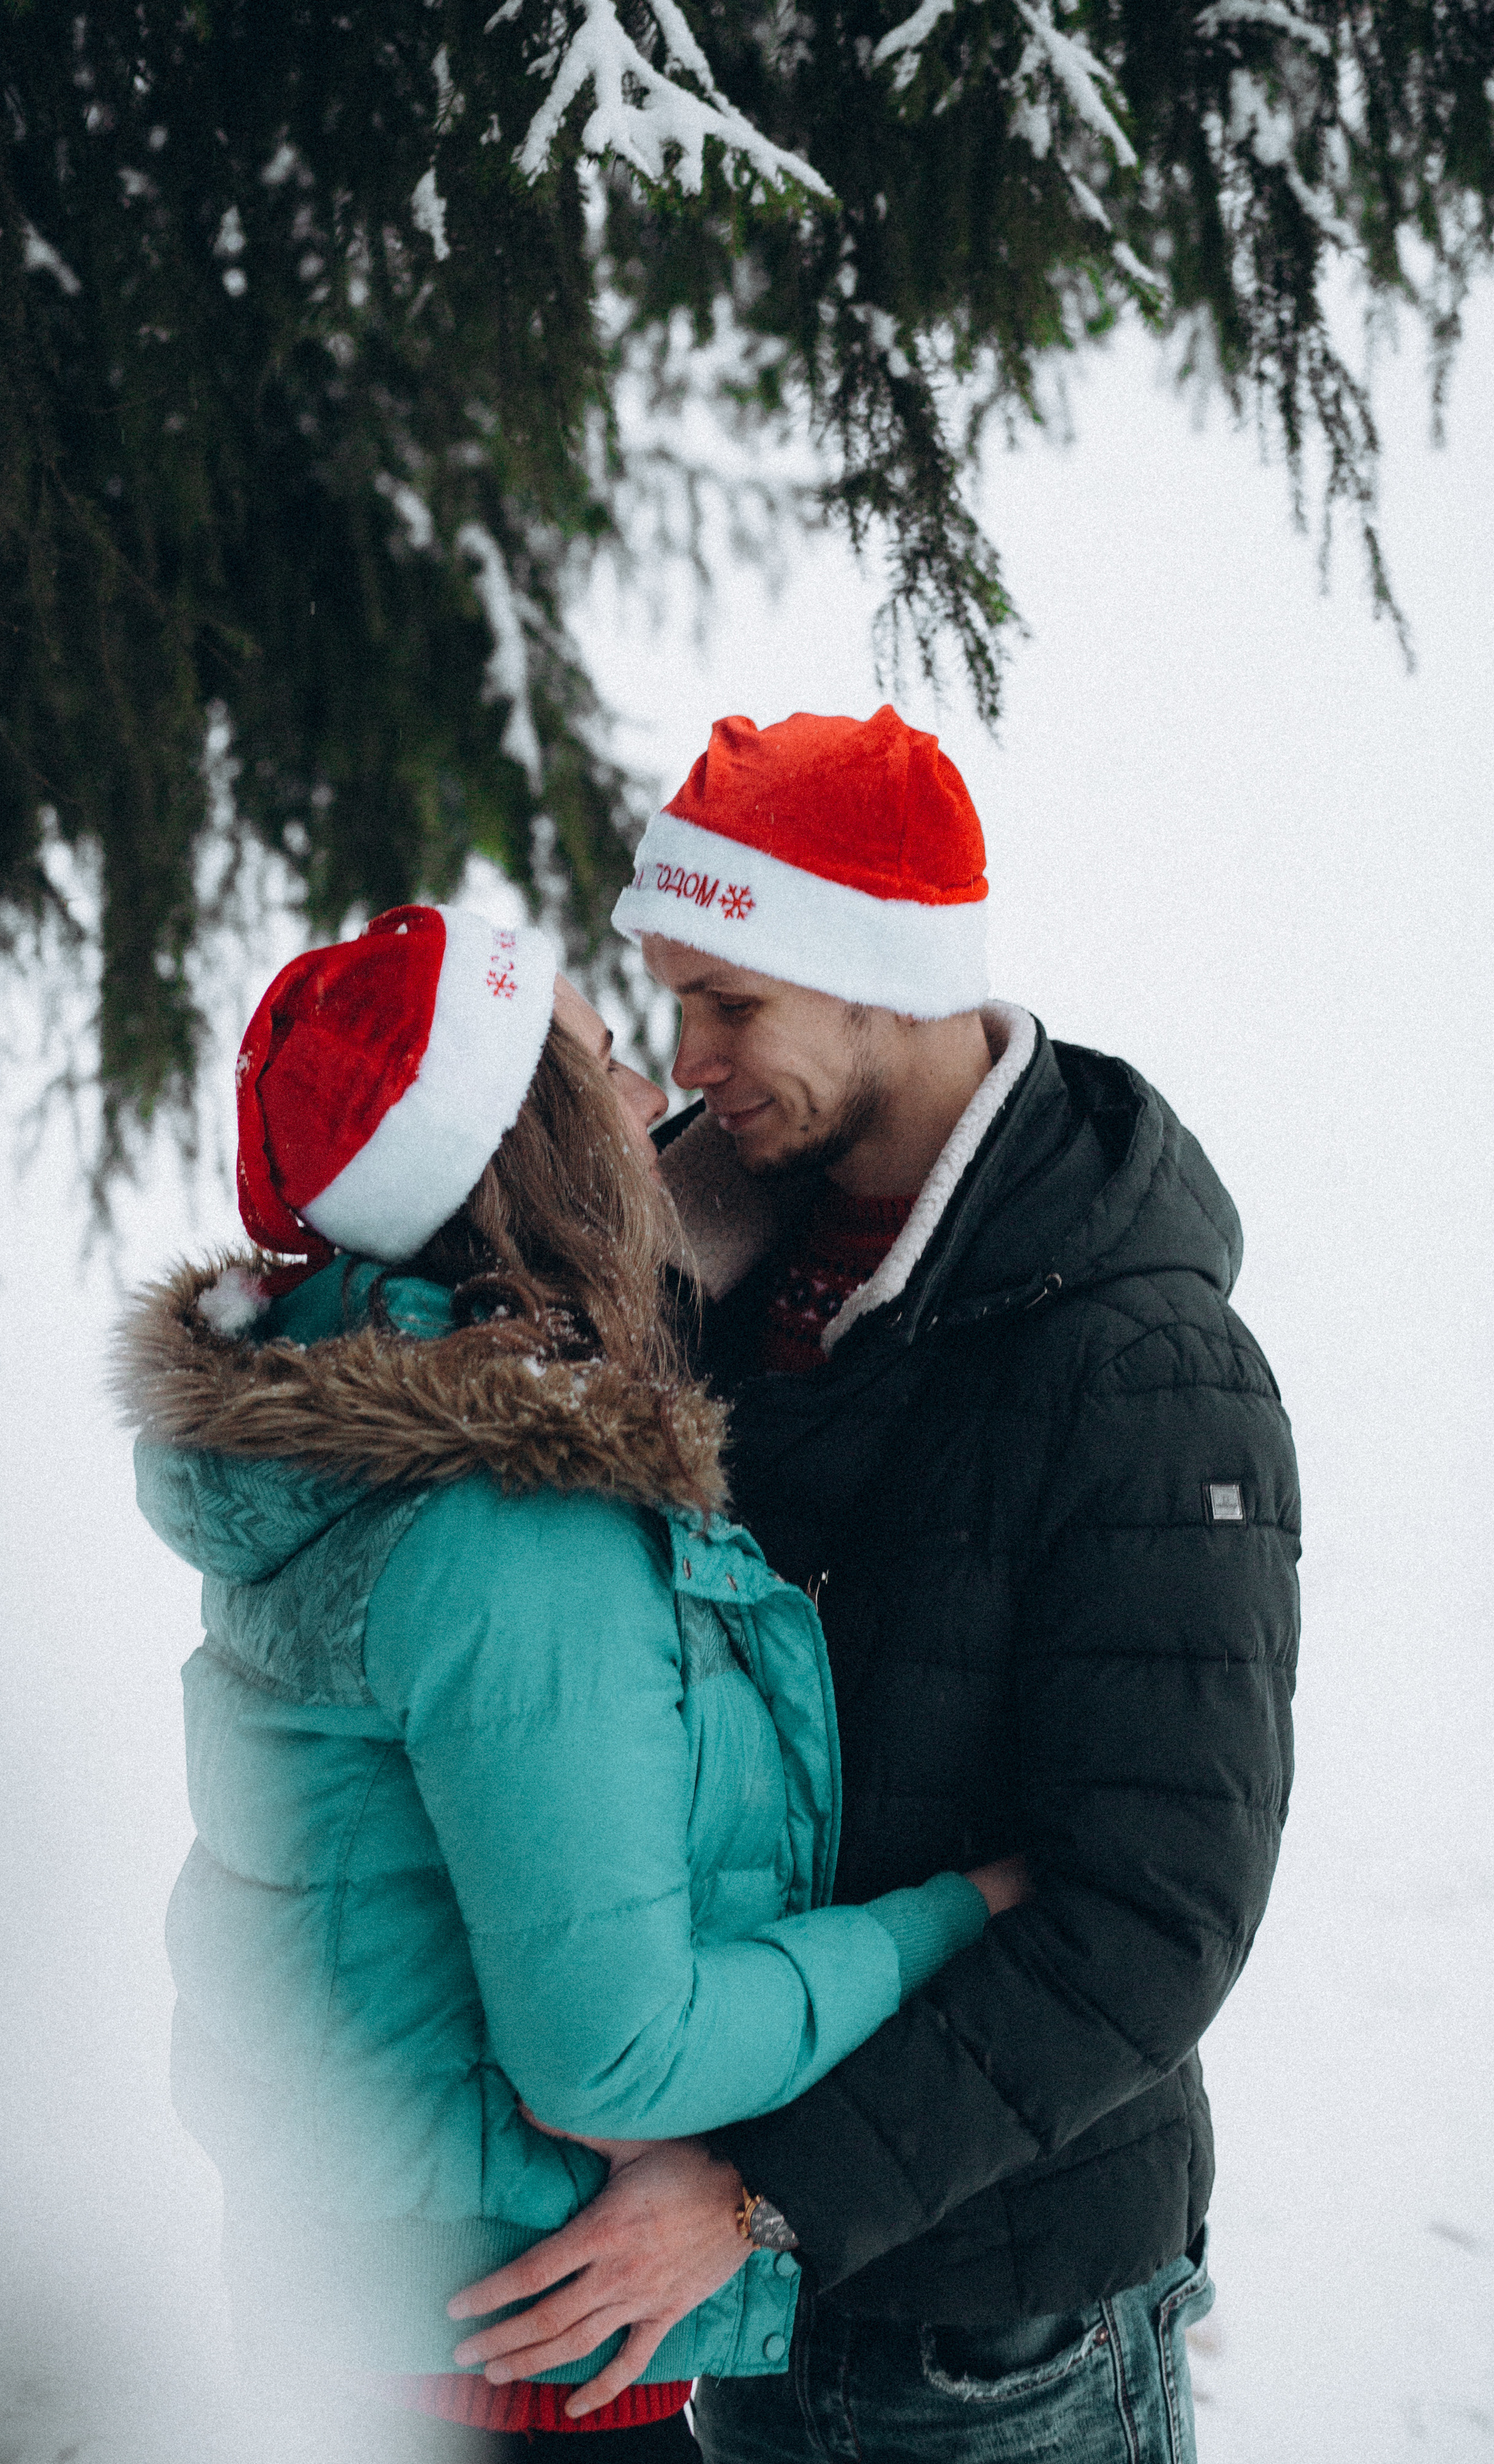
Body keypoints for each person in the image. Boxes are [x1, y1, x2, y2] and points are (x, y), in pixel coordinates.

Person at [443, 710, 1301, 2463]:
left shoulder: (1142, 1365)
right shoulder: (710, 1292)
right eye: (671, 1001)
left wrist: (762, 2190)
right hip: (730, 2313)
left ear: (885, 981)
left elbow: (1156, 1913)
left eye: (733, 1003)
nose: (690, 1056)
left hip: (1000, 2333)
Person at [117, 900, 1030, 2463]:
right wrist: (961, 1911)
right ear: (523, 1150)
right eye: (603, 1067)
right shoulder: (515, 1528)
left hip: (375, 2303)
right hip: (513, 2358)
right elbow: (613, 2055)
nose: (652, 1104)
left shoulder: (354, 1450)